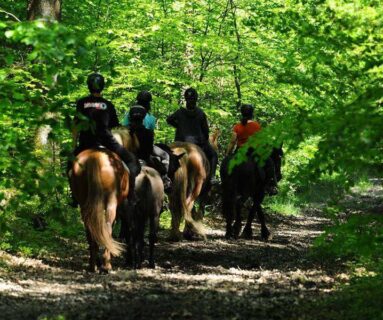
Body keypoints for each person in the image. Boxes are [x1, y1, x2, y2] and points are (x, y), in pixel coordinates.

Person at [69, 73, 140, 206]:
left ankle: (74, 196)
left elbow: (75, 126)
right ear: (102, 86)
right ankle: (131, 194)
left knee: (69, 165)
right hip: (107, 143)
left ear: (88, 86)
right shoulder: (108, 105)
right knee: (131, 160)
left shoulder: (81, 103)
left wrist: (74, 145)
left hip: (85, 143)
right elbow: (114, 127)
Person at [166, 87, 218, 184]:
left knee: (165, 154)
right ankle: (212, 177)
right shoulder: (201, 113)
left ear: (185, 99)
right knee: (213, 155)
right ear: (196, 99)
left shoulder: (179, 112)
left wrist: (178, 126)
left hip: (180, 142)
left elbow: (168, 120)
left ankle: (165, 177)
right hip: (197, 142)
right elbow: (206, 131)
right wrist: (205, 139)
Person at [226, 104, 278, 195]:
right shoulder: (257, 126)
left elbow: (232, 142)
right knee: (270, 163)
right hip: (254, 152)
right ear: (252, 114)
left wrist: (227, 153)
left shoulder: (237, 126)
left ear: (241, 113)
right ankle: (271, 185)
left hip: (240, 152)